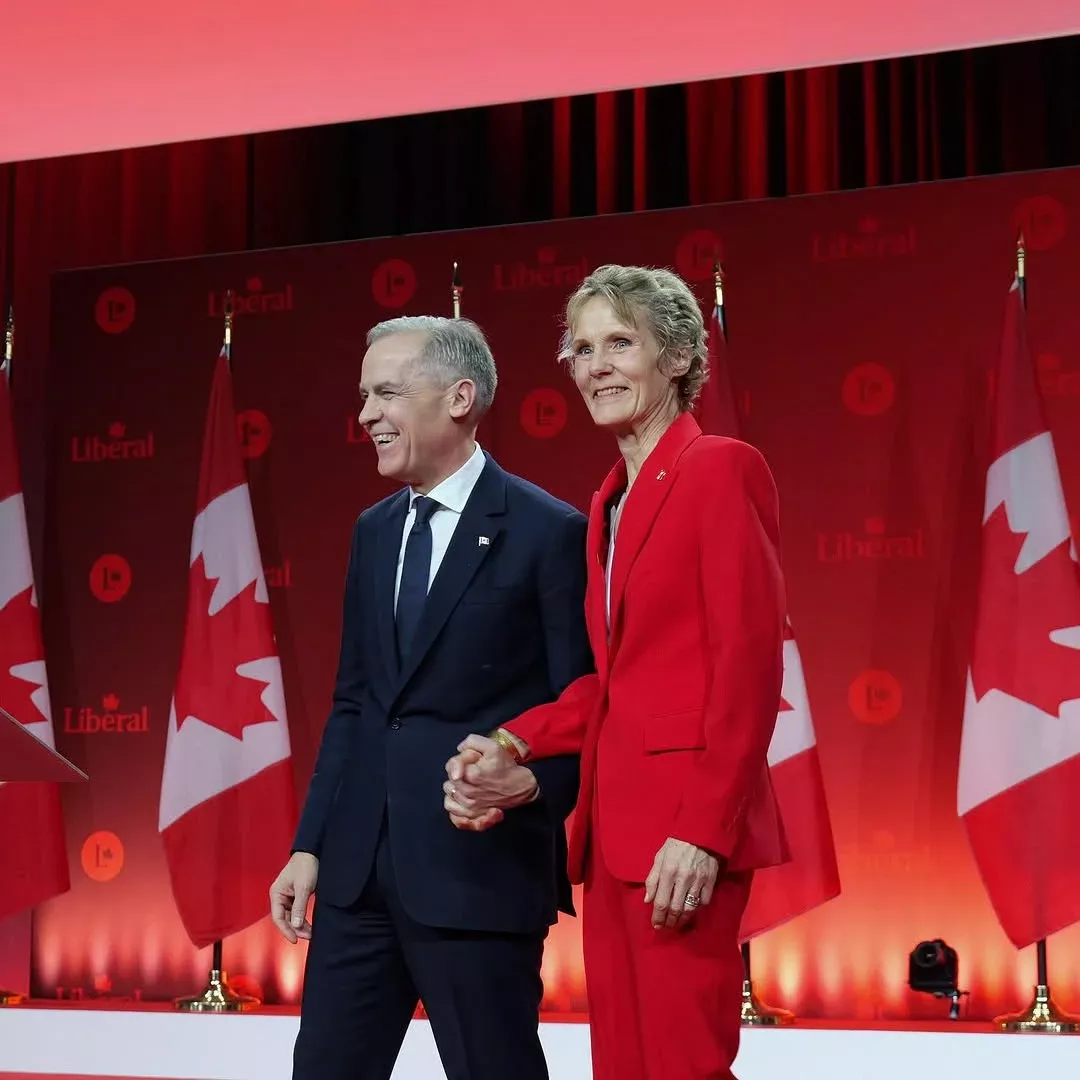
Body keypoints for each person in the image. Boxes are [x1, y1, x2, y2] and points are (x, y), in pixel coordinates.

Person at [444, 265, 789, 1080]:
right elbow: (615, 683)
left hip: (683, 833)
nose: (594, 365)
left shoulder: (720, 468)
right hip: (611, 837)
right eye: (581, 347)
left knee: (682, 1066)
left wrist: (704, 832)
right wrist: (514, 739)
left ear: (676, 357)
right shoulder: (605, 501)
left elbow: (748, 667)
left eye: (619, 343)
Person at [270, 315, 591, 1080]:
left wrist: (531, 785)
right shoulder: (373, 531)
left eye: (385, 394)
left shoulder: (549, 532)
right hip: (357, 882)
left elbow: (584, 703)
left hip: (477, 875)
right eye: (362, 397)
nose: (365, 416)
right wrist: (310, 843)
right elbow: (356, 703)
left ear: (459, 397)